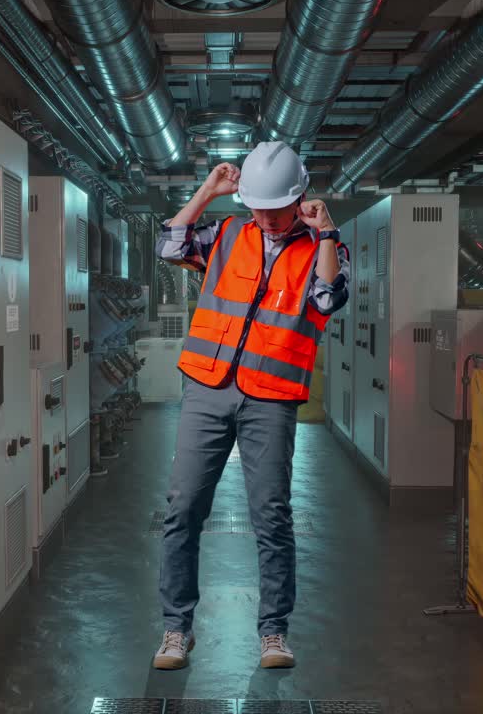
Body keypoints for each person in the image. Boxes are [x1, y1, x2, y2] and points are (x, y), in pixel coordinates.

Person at [152, 141, 350, 670]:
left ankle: (273, 632)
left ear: (300, 198)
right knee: (182, 509)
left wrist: (327, 231)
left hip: (271, 399)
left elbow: (329, 299)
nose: (263, 217)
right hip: (208, 388)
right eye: (255, 206)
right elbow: (170, 245)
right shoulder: (227, 234)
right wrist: (209, 191)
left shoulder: (320, 247)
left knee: (272, 516)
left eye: (273, 207)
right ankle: (176, 629)